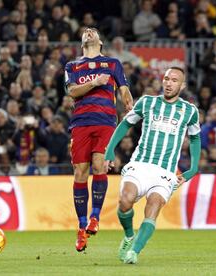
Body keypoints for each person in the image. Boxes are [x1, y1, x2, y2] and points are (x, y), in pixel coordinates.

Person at [104, 67, 201, 264]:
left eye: (174, 80)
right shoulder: (147, 102)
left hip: (165, 171)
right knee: (125, 201)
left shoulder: (190, 111)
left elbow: (195, 139)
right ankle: (129, 236)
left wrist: (193, 168)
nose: (168, 83)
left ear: (181, 86)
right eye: (166, 78)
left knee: (153, 206)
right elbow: (125, 124)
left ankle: (134, 252)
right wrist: (109, 150)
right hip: (140, 164)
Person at [64, 27, 133, 252]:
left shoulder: (113, 64)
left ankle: (95, 217)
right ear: (82, 42)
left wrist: (129, 103)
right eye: (85, 31)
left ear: (100, 41)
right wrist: (95, 83)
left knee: (100, 165)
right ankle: (82, 227)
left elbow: (124, 90)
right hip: (80, 124)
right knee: (80, 172)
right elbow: (72, 92)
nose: (89, 31)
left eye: (93, 31)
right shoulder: (72, 66)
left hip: (105, 122)